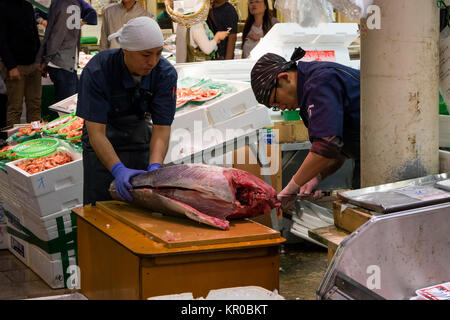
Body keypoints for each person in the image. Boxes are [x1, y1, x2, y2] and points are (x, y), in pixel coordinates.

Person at [76, 17, 178, 205]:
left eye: (158, 54)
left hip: (139, 138)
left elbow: (162, 128)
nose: (153, 62)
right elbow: (96, 133)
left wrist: (155, 168)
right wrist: (117, 169)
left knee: (142, 207)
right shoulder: (98, 70)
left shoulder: (165, 74)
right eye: (146, 55)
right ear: (126, 51)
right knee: (101, 211)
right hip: (102, 141)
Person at [250, 47, 360, 211]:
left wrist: (291, 188)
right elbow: (338, 148)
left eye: (276, 101)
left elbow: (326, 145)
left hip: (390, 155)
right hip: (369, 157)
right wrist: (317, 175)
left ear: (284, 77)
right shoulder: (306, 92)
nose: (281, 108)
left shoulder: (319, 82)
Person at [37, 0, 96, 104]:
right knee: (67, 106)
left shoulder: (62, 4)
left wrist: (44, 58)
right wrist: (45, 58)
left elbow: (52, 34)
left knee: (68, 105)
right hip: (63, 62)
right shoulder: (74, 4)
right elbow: (56, 36)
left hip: (62, 61)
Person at [0, 0, 42, 126]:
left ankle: (36, 140)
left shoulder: (28, 6)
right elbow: (1, 40)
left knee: (35, 105)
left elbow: (34, 33)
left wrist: (40, 59)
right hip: (15, 66)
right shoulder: (2, 6)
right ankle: (12, 143)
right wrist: (11, 66)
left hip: (33, 64)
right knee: (15, 108)